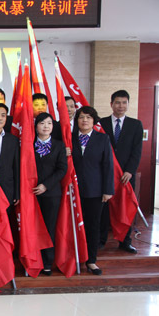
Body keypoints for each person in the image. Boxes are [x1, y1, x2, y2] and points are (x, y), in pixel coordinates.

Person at [99, 90, 143, 253]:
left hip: (125, 175)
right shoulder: (101, 123)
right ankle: (100, 240)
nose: (121, 106)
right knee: (103, 209)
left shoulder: (136, 125)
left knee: (125, 207)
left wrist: (130, 171)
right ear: (111, 104)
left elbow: (137, 151)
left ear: (128, 104)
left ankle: (125, 241)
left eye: (124, 102)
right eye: (117, 102)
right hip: (105, 174)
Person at [72, 106, 114, 275]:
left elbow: (108, 165)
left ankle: (91, 260)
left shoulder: (102, 139)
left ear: (94, 121)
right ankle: (73, 258)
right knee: (72, 226)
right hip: (72, 191)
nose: (85, 120)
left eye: (88, 117)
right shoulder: (69, 138)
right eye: (82, 117)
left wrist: (107, 190)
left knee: (92, 225)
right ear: (77, 120)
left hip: (95, 191)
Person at [33, 113, 68, 275]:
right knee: (32, 227)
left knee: (48, 227)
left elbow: (62, 169)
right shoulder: (27, 144)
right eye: (42, 123)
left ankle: (47, 261)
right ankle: (33, 259)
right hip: (31, 193)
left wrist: (45, 185)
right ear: (36, 126)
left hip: (51, 194)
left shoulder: (59, 145)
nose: (46, 126)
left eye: (49, 123)